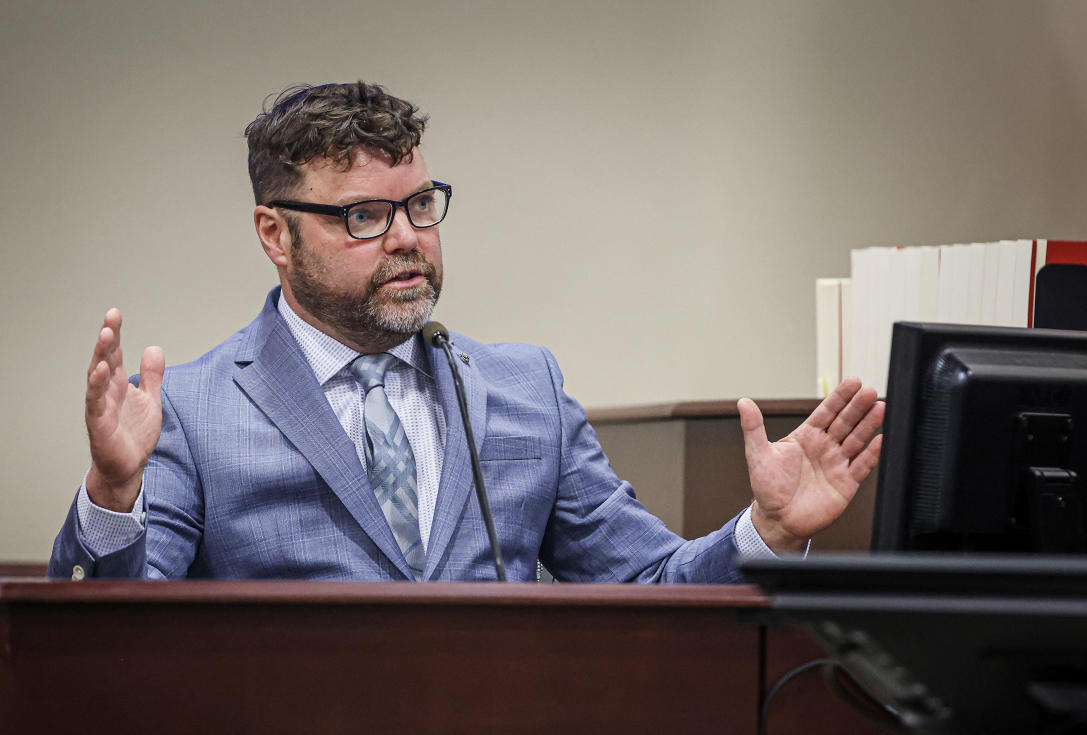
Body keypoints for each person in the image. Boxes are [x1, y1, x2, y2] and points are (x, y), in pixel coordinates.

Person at [49, 81, 884, 582]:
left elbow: (651, 582)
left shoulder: (527, 390)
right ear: (276, 233)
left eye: (418, 204)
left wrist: (768, 533)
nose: (409, 236)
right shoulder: (194, 408)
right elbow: (114, 638)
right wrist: (113, 497)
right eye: (365, 216)